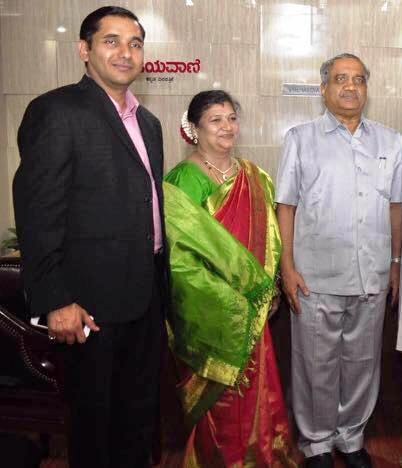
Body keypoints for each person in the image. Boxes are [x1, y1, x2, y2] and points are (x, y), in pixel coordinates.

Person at [13, 6, 166, 468]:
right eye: (111, 41)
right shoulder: (56, 110)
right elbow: (37, 210)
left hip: (145, 296)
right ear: (84, 49)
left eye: (135, 43)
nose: (126, 52)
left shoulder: (150, 123)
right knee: (95, 429)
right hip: (88, 305)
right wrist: (55, 298)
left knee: (138, 422)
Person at [276, 53, 402, 468]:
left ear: (367, 87)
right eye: (340, 79)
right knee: (316, 365)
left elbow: (396, 209)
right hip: (315, 277)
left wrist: (396, 262)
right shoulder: (300, 138)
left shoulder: (392, 141)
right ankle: (316, 444)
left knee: (363, 364)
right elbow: (287, 207)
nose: (350, 87)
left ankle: (351, 439)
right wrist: (287, 267)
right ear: (324, 88)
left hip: (373, 274)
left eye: (359, 80)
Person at [163, 90, 296, 467]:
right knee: (222, 400)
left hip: (254, 308)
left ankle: (262, 457)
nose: (227, 127)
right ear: (193, 129)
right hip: (213, 311)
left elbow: (271, 240)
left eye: (231, 118)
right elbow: (179, 258)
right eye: (215, 120)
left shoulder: (256, 177)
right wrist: (230, 301)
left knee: (259, 391)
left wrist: (268, 290)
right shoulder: (182, 181)